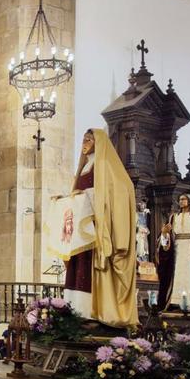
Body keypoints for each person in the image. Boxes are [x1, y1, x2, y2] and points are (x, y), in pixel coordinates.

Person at [58, 129, 137, 327]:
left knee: (87, 266)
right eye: (83, 139)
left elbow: (121, 188)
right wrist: (66, 199)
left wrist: (84, 196)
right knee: (77, 266)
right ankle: (75, 309)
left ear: (98, 142)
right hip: (81, 226)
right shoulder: (85, 167)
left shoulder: (104, 165)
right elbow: (80, 194)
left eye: (88, 140)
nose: (84, 143)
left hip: (95, 225)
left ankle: (91, 312)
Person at [156, 193, 190, 310]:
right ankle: (175, 301)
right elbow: (167, 236)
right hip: (177, 249)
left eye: (184, 199)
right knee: (176, 273)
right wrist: (164, 233)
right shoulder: (174, 217)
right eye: (180, 199)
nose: (181, 201)